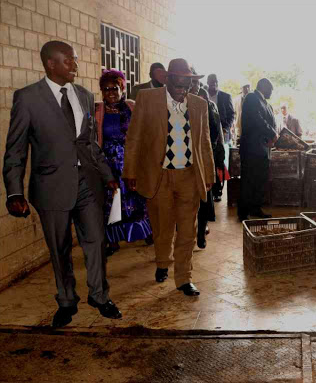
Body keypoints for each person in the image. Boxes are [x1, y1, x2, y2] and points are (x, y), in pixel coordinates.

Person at [3, 41, 122, 327]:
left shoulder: (83, 94)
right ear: (50, 64)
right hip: (51, 185)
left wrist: (107, 177)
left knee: (96, 240)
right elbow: (15, 149)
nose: (75, 65)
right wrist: (14, 191)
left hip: (88, 183)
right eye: (69, 61)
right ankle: (67, 300)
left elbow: (90, 144)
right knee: (59, 247)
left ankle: (99, 295)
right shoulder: (27, 98)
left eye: (76, 60)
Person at [122, 58, 215, 296]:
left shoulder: (199, 105)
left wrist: (209, 174)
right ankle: (162, 263)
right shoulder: (147, 99)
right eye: (178, 82)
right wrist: (130, 171)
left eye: (187, 83)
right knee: (162, 228)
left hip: (189, 177)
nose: (182, 88)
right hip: (159, 176)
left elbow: (204, 142)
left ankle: (184, 278)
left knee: (187, 230)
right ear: (167, 80)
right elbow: (134, 137)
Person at [95, 70, 153, 256]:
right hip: (108, 161)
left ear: (122, 88)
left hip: (131, 160)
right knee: (111, 201)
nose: (110, 93)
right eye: (106, 89)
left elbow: (144, 132)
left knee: (137, 199)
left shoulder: (131, 107)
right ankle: (112, 240)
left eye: (114, 88)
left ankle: (145, 232)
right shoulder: (97, 110)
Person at [238, 78, 277, 222]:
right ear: (264, 87)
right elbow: (257, 119)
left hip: (263, 150)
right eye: (271, 90)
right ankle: (243, 212)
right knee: (248, 181)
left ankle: (255, 208)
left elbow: (270, 121)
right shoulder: (252, 98)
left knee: (259, 181)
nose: (271, 93)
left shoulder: (267, 103)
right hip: (251, 150)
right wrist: (273, 133)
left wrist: (273, 135)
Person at [190, 74, 222, 249]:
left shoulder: (209, 106)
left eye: (196, 82)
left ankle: (201, 233)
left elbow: (214, 133)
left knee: (203, 200)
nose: (194, 86)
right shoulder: (180, 106)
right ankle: (189, 234)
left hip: (202, 161)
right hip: (185, 163)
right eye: (191, 83)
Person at [207, 74, 235, 202]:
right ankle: (209, 188)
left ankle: (218, 191)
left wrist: (225, 129)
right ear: (207, 83)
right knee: (208, 161)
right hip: (207, 135)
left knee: (219, 161)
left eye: (216, 82)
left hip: (221, 135)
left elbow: (231, 115)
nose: (214, 84)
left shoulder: (225, 96)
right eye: (211, 82)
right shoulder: (202, 94)